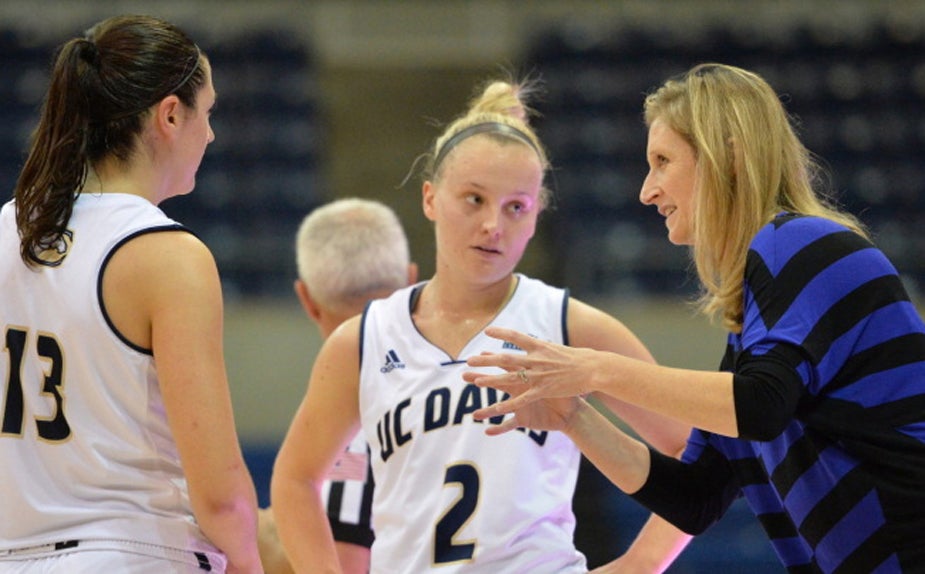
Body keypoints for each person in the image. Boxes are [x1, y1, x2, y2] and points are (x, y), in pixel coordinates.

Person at [465, 63, 925, 572]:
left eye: (662, 161)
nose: (647, 191)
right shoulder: (755, 331)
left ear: (727, 156)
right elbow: (697, 496)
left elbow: (759, 407)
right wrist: (572, 416)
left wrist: (595, 369)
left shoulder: (800, 242)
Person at [270, 75, 691, 573]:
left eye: (517, 207)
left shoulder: (569, 326)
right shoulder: (361, 340)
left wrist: (641, 563)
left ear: (536, 218)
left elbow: (692, 449)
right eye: (474, 199)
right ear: (430, 198)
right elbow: (295, 480)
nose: (494, 225)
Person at [0, 15, 262, 573]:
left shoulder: (6, 229)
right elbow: (219, 491)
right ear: (170, 114)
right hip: (134, 552)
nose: (211, 134)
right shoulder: (167, 255)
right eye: (207, 113)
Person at [257, 197, 418, 574]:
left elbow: (347, 563)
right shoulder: (453, 383)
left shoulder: (363, 407)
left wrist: (263, 539)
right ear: (411, 281)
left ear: (307, 299)